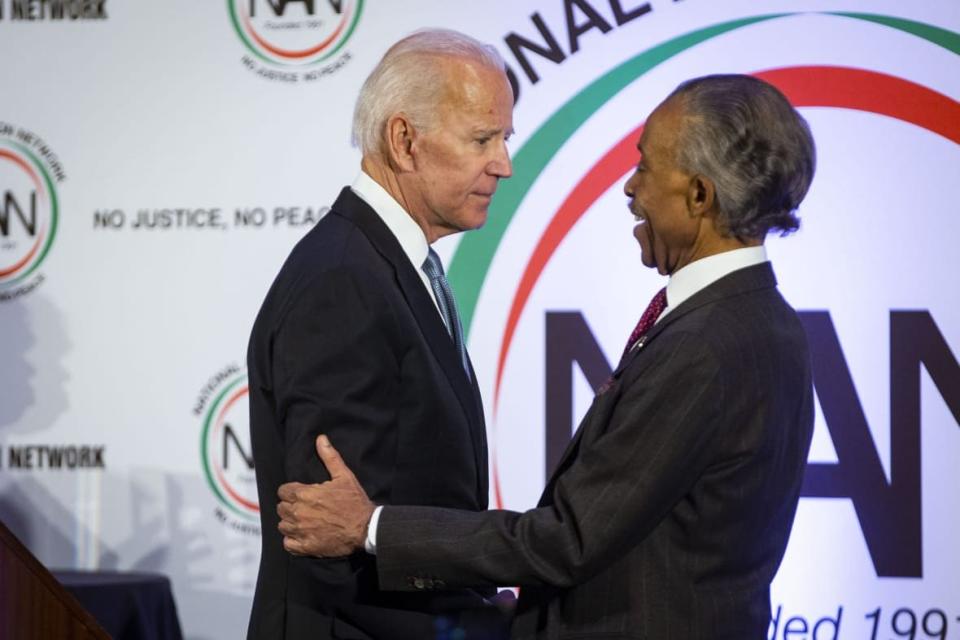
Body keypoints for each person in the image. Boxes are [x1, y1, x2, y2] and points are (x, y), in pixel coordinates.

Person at [275, 73, 818, 639]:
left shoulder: (708, 345)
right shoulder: (764, 321)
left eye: (646, 166)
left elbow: (570, 538)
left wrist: (370, 526)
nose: (630, 188)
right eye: (482, 140)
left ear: (700, 195)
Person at [246, 29, 514, 640]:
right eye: (482, 139)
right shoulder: (344, 280)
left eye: (504, 138)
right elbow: (326, 537)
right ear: (404, 141)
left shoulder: (387, 265)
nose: (503, 164)